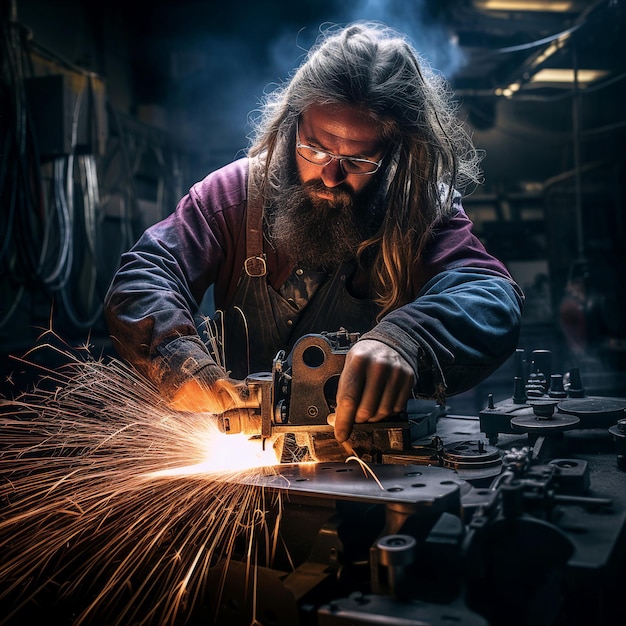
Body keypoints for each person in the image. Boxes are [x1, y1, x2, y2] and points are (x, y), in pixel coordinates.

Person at [104, 22, 524, 450]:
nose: (330, 174)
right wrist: (178, 360)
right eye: (316, 148)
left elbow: (490, 296)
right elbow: (146, 274)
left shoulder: (420, 209)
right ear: (293, 125)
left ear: (396, 153)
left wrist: (408, 340)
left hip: (372, 464)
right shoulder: (233, 197)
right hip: (248, 459)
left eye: (359, 160)